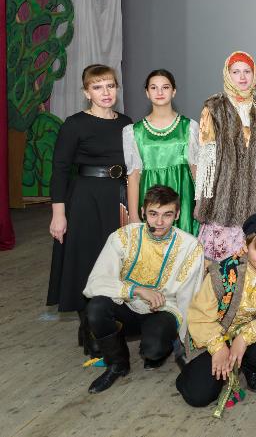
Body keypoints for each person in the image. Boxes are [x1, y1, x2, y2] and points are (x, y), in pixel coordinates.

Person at [82, 185, 205, 393]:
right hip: (127, 304)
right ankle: (117, 364)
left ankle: (158, 347)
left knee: (153, 350)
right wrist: (136, 290)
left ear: (177, 214)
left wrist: (188, 348)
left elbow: (189, 300)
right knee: (96, 307)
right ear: (142, 212)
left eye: (167, 215)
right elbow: (95, 282)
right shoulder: (124, 236)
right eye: (153, 214)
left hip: (163, 310)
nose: (159, 222)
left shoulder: (190, 247)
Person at [48, 64, 133, 355]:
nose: (105, 92)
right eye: (97, 87)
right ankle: (90, 329)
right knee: (86, 260)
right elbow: (59, 170)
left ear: (117, 89)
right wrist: (58, 214)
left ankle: (109, 321)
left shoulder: (126, 123)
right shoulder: (74, 124)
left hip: (118, 197)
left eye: (110, 85)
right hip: (85, 199)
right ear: (87, 92)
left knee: (116, 262)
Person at [177, 212, 256, 407]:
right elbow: (200, 316)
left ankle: (251, 367)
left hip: (254, 338)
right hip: (217, 335)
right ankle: (190, 363)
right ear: (245, 245)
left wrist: (244, 337)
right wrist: (218, 348)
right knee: (197, 396)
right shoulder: (222, 272)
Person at [194, 51, 256, 262]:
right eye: (236, 72)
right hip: (221, 199)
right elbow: (206, 160)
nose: (242, 77)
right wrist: (203, 201)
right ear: (227, 74)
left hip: (253, 197)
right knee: (217, 266)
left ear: (255, 74)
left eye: (247, 71)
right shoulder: (214, 107)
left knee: (250, 263)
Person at [123, 69, 199, 235]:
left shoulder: (190, 127)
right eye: (154, 88)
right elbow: (133, 177)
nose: (159, 92)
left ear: (174, 91)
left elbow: (196, 170)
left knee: (184, 245)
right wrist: (133, 215)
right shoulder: (133, 132)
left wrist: (201, 203)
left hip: (183, 196)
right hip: (149, 195)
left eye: (165, 87)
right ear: (147, 93)